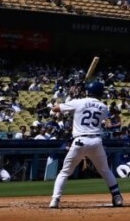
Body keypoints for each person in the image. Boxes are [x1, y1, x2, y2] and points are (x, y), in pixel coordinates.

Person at [49, 81, 123, 209]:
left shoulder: (78, 102)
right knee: (105, 171)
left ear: (88, 91)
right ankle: (117, 197)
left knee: (65, 172)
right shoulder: (103, 107)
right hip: (96, 142)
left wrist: (70, 99)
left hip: (79, 141)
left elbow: (55, 109)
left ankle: (55, 200)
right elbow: (97, 114)